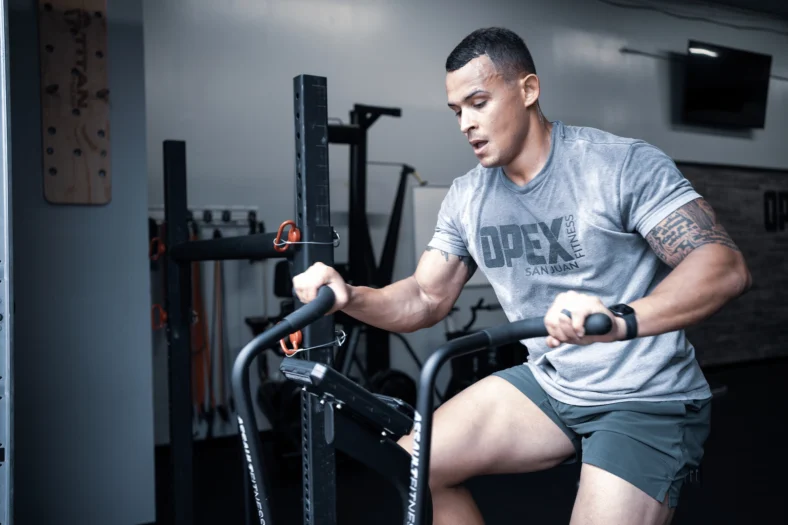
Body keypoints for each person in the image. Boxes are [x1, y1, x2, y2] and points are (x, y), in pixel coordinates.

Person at [292, 27, 751, 525]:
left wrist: (618, 319)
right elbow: (425, 296)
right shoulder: (468, 197)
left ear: (528, 89)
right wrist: (349, 295)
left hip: (644, 396)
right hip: (553, 383)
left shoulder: (617, 165)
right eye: (457, 111)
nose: (466, 124)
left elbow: (722, 265)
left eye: (478, 103)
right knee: (414, 465)